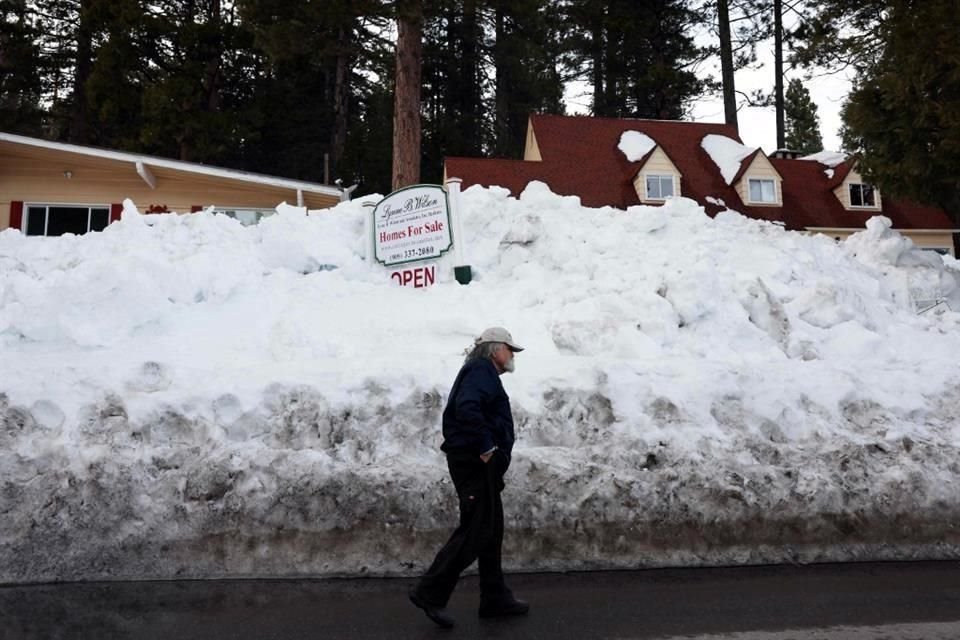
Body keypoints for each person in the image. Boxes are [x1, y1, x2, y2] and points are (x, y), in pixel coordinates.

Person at [408, 327, 530, 628]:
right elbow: (466, 408)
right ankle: (430, 592)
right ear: (494, 350)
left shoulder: (482, 373)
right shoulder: (479, 370)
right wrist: (487, 445)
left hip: (480, 465)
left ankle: (494, 597)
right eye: (508, 348)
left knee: (492, 529)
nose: (512, 354)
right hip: (474, 463)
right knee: (476, 530)